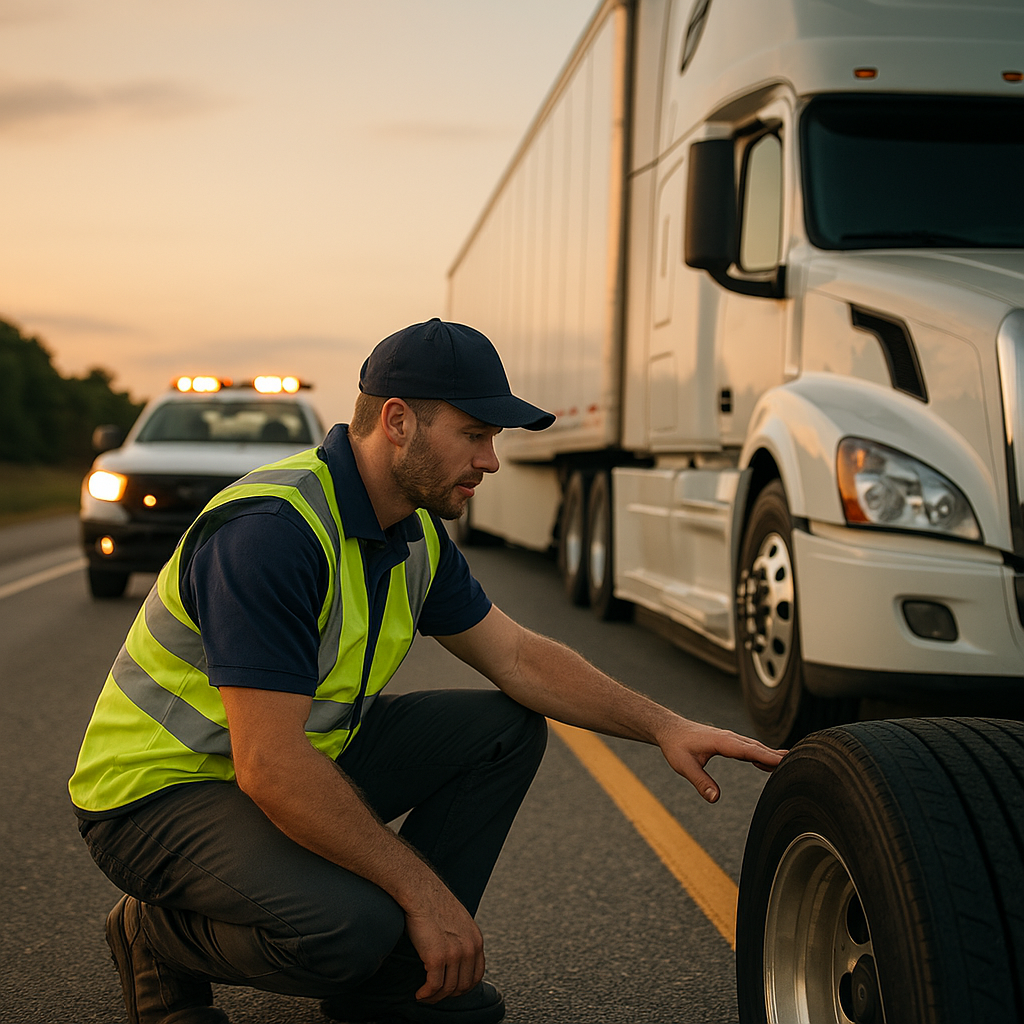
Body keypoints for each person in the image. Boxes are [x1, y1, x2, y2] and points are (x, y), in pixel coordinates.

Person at [69, 318, 785, 1024]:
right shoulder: (273, 534)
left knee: (501, 727)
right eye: (475, 435)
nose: (491, 460)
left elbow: (516, 657)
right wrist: (424, 896)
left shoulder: (412, 534)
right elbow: (271, 766)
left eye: (493, 439)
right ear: (399, 421)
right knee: (349, 929)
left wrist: (665, 726)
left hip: (282, 762)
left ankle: (397, 983)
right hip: (159, 795)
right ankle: (154, 938)